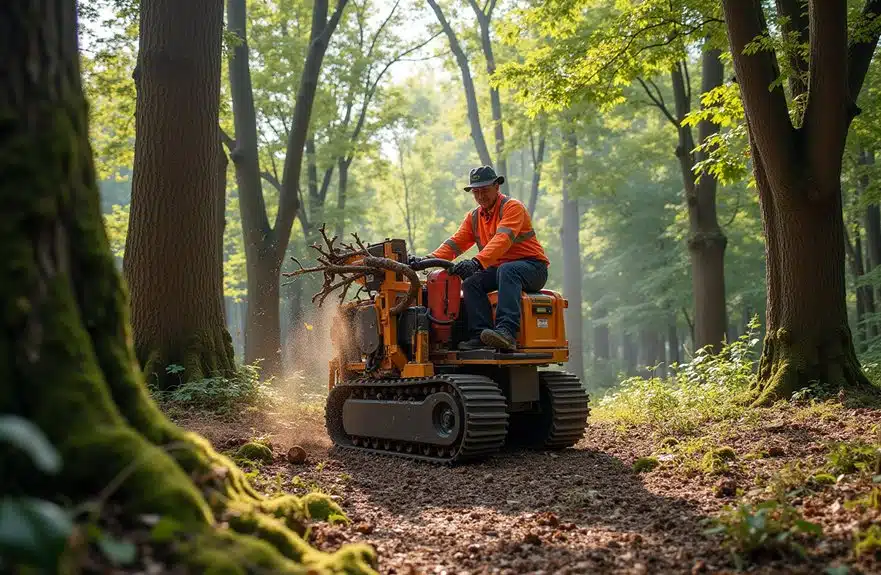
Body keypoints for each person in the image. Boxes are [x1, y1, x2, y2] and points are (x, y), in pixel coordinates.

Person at [410, 166, 550, 351]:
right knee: (471, 282)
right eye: (476, 192)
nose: (480, 196)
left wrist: (476, 262)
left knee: (507, 270)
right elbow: (455, 244)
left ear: (497, 186)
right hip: (502, 271)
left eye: (484, 190)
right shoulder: (475, 217)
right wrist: (425, 260)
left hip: (533, 268)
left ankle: (506, 332)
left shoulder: (512, 208)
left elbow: (503, 239)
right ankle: (480, 334)